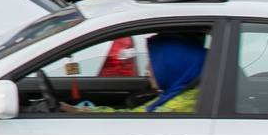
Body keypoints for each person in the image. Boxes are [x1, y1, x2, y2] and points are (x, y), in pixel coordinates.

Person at [70, 31, 208, 114]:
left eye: (153, 62)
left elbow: (127, 124)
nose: (147, 68)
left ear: (172, 66)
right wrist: (78, 111)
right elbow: (135, 114)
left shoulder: (178, 107)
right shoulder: (176, 93)